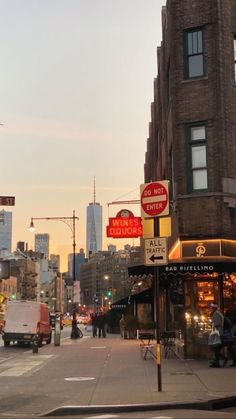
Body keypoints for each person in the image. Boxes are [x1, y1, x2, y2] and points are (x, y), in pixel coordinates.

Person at [209, 302, 226, 368]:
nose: (210, 309)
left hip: (217, 333)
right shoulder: (218, 313)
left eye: (211, 308)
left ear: (213, 308)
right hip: (219, 333)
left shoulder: (216, 314)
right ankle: (216, 362)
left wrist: (212, 324)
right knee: (216, 348)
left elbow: (217, 323)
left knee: (214, 347)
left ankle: (223, 358)